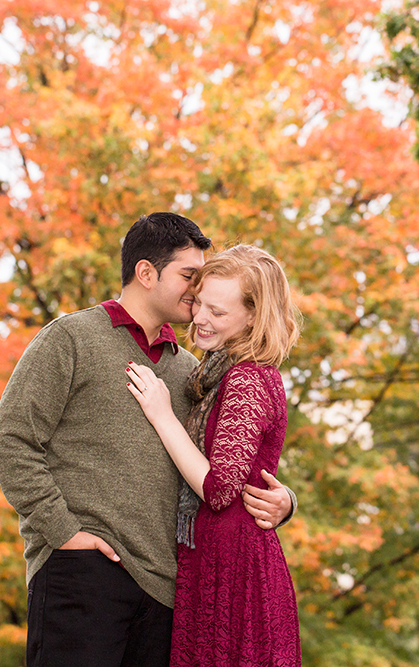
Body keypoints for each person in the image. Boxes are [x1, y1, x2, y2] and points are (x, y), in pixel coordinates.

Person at [0, 213, 296, 667]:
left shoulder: (193, 370)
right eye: (189, 277)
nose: (196, 292)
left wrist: (284, 499)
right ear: (146, 273)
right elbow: (9, 442)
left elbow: (228, 463)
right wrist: (64, 532)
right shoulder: (71, 338)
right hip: (84, 572)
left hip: (168, 591)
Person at [125, 244, 302, 666]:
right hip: (212, 556)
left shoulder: (246, 378)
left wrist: (161, 413)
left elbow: (221, 489)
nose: (201, 318)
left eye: (218, 312)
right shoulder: (214, 373)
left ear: (254, 316)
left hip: (233, 564)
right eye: (199, 302)